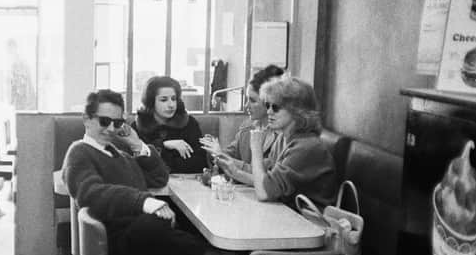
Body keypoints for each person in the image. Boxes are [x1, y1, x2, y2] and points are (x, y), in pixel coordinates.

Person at [61, 89, 242, 255]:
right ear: (86, 119)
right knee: (156, 222)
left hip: (147, 241)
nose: (111, 128)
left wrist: (136, 144)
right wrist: (144, 202)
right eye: (104, 121)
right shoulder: (79, 153)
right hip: (119, 245)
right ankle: (215, 253)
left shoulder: (117, 151)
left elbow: (159, 178)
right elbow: (91, 193)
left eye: (118, 122)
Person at [216, 77, 337, 209]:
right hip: (288, 215)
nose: (269, 112)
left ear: (297, 111)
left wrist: (256, 149)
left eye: (276, 107)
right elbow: (266, 179)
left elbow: (264, 193)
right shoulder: (283, 139)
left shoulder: (307, 147)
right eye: (268, 106)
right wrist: (237, 173)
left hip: (310, 224)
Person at [199, 65, 285, 174]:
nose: (246, 106)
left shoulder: (282, 136)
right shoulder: (247, 127)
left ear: (269, 101)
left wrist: (220, 155)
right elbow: (229, 155)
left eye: (252, 101)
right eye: (246, 99)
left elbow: (261, 175)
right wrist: (213, 150)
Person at [132, 76, 208, 173]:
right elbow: (137, 163)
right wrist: (164, 145)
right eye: (164, 100)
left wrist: (162, 157)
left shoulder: (189, 122)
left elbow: (200, 163)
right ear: (151, 102)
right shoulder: (139, 125)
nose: (171, 105)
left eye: (174, 99)